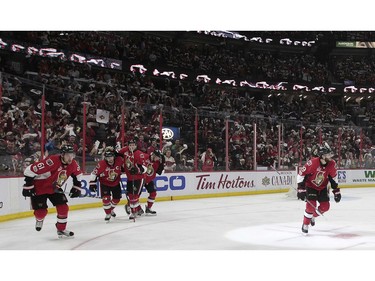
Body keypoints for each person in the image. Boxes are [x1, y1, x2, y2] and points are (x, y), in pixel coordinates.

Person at [22, 144, 82, 238]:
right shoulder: (52, 161)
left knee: (63, 208)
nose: (71, 158)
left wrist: (77, 186)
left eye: (72, 155)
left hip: (55, 188)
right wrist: (28, 185)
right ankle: (39, 219)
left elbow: (78, 174)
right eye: (68, 155)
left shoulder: (73, 164)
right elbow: (29, 170)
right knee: (41, 213)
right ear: (62, 154)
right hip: (40, 187)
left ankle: (61, 229)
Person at [297, 144, 341, 234]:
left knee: (325, 207)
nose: (330, 156)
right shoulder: (312, 163)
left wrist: (336, 191)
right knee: (310, 206)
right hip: (310, 187)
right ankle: (305, 224)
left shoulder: (332, 164)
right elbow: (301, 174)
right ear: (322, 155)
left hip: (322, 188)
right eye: (328, 154)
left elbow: (334, 178)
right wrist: (301, 189)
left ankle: (313, 216)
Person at [88, 146, 124, 222]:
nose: (109, 159)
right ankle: (108, 213)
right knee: (106, 199)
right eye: (107, 158)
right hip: (105, 184)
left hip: (116, 183)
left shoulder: (119, 160)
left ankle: (110, 209)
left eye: (111, 157)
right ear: (105, 158)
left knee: (117, 199)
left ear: (114, 156)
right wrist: (92, 184)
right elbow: (94, 174)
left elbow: (125, 160)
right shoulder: (101, 164)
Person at [118, 139, 148, 220]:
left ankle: (134, 211)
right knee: (131, 195)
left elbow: (145, 168)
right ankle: (139, 210)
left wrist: (137, 170)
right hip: (130, 178)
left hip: (139, 178)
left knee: (134, 195)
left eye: (133, 145)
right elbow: (118, 154)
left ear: (136, 146)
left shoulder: (140, 154)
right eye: (130, 145)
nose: (131, 147)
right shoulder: (125, 151)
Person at [143, 149, 165, 215]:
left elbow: (159, 172)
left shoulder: (158, 162)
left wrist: (162, 163)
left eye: (159, 157)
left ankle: (148, 208)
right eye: (157, 156)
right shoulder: (145, 157)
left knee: (153, 193)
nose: (158, 158)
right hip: (140, 179)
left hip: (149, 180)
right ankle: (132, 207)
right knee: (135, 195)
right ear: (153, 155)